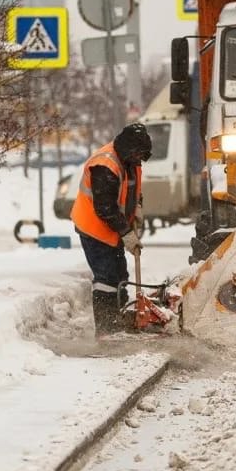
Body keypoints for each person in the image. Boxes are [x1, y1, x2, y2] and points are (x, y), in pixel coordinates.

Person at [70, 122, 153, 335]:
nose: (139, 160)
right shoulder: (105, 165)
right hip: (94, 227)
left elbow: (132, 191)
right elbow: (105, 208)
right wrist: (126, 233)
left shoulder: (131, 161)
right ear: (129, 150)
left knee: (120, 274)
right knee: (106, 277)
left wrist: (137, 211)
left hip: (112, 228)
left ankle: (120, 320)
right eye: (137, 156)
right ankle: (107, 329)